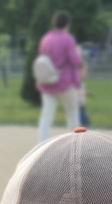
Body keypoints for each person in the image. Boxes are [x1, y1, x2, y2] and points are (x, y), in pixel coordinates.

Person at [36, 11, 85, 143]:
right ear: (67, 24)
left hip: (47, 82)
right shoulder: (68, 39)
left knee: (46, 116)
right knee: (72, 114)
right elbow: (74, 60)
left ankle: (41, 145)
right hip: (64, 82)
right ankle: (75, 145)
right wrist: (81, 61)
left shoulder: (46, 38)